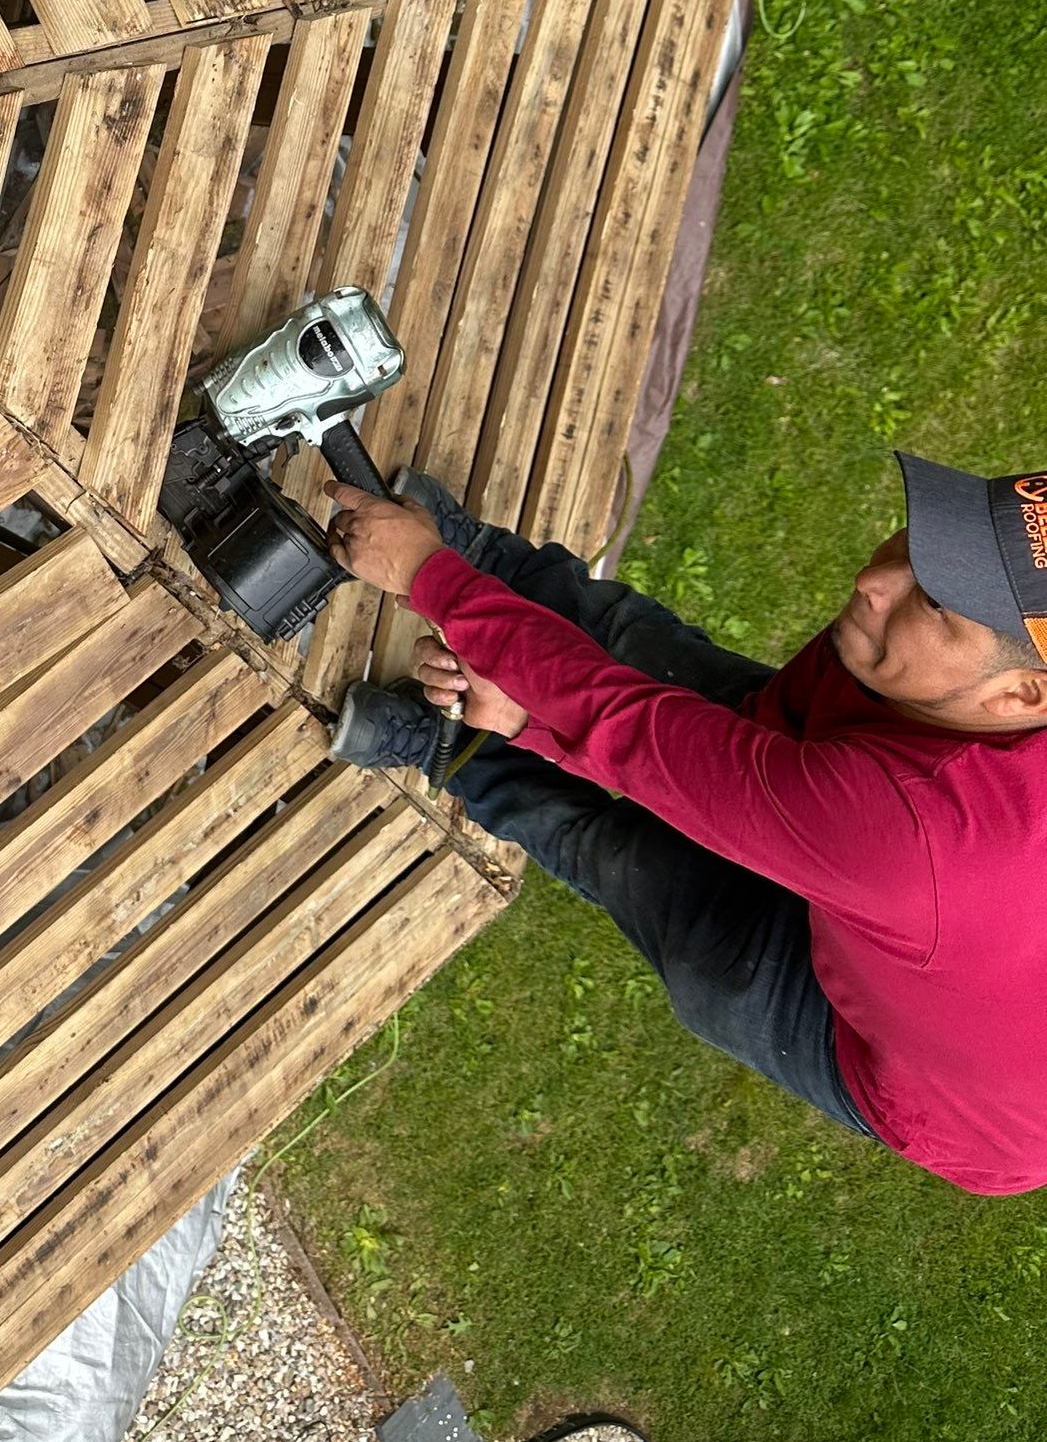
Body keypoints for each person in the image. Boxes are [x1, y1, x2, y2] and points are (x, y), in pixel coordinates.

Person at [320, 455, 1047, 1196]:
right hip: (910, 854)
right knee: (679, 670)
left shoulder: (923, 837)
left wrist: (432, 581)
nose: (876, 581)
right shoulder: (918, 662)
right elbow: (718, 736)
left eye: (936, 601)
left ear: (1021, 696)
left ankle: (454, 752)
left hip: (922, 1077)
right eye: (924, 541)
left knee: (630, 862)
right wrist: (517, 682)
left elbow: (631, 733)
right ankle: (486, 556)